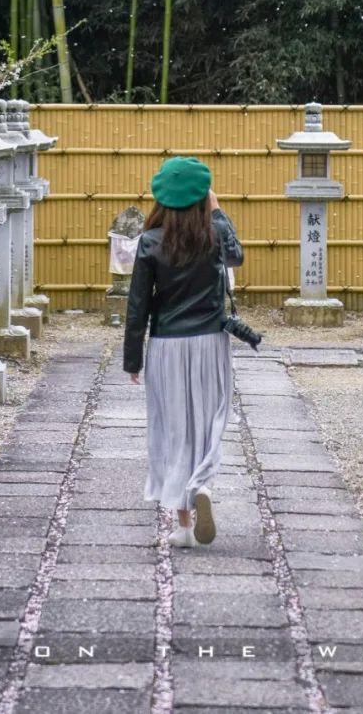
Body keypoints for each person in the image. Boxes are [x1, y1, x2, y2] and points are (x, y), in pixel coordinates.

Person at [123, 154, 244, 548]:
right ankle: (203, 482)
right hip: (210, 341)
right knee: (211, 420)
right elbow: (236, 256)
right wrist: (218, 209)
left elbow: (138, 304)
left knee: (173, 430)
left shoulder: (150, 242)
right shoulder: (212, 236)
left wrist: (132, 359)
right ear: (201, 196)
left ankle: (184, 525)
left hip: (166, 345)